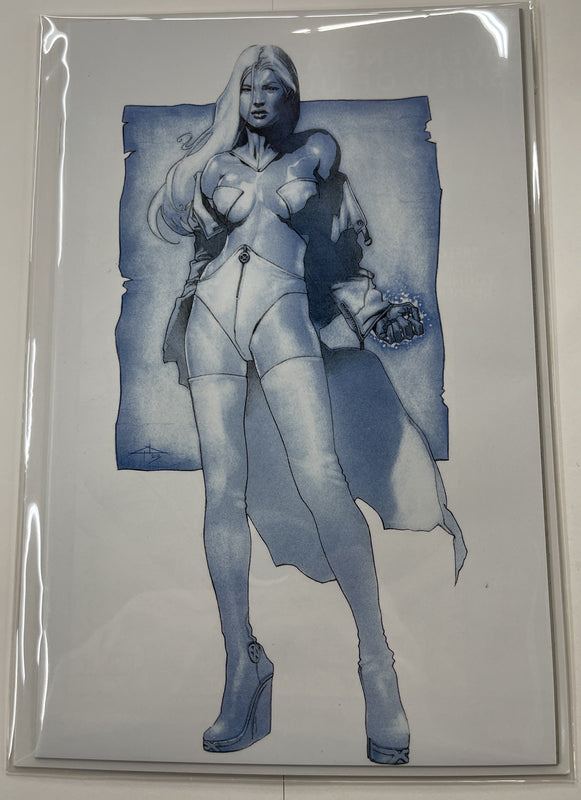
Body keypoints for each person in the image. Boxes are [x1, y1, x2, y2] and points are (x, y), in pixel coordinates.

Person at [149, 44, 466, 765]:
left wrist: (373, 308)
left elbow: (339, 255)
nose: (260, 97)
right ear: (235, 95)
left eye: (273, 85)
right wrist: (209, 143)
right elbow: (170, 220)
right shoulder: (212, 166)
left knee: (321, 477)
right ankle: (242, 664)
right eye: (248, 86)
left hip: (283, 311)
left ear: (292, 95)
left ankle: (377, 664)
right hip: (211, 318)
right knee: (222, 492)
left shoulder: (317, 155)